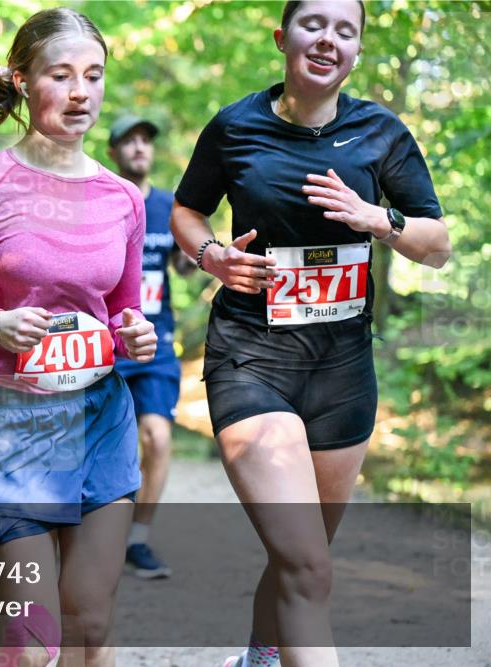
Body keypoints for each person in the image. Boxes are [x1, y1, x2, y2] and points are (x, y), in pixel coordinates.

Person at [169, 2, 450, 666]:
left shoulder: (380, 133)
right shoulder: (235, 125)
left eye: (345, 31)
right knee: (309, 565)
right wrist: (212, 255)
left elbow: (436, 245)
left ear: (356, 53)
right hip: (250, 358)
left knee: (304, 554)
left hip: (343, 371)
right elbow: (188, 209)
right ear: (283, 38)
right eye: (313, 24)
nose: (328, 39)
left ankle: (261, 652)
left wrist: (378, 218)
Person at [0, 9, 157, 666]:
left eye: (93, 76)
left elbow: (123, 314)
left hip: (99, 420)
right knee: (31, 636)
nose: (81, 93)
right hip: (7, 429)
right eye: (61, 75)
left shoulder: (123, 199)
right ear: (22, 79)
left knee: (89, 625)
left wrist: (137, 335)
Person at [107, 116, 196, 579]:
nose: (140, 148)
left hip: (156, 345)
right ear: (113, 152)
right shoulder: (98, 201)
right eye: (129, 141)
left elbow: (185, 268)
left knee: (157, 437)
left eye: (146, 140)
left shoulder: (170, 206)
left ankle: (137, 540)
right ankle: (89, 534)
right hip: (102, 346)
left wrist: (194, 254)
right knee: (98, 447)